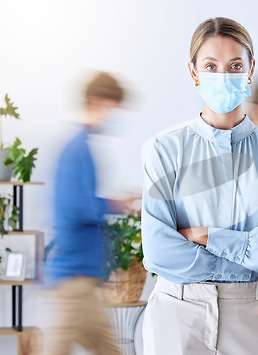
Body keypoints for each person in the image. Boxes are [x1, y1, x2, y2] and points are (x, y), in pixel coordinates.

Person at [141, 17, 258, 355]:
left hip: (255, 318)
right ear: (193, 72)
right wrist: (257, 248)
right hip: (178, 313)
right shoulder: (164, 149)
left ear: (250, 70)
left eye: (235, 65)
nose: (224, 75)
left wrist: (205, 234)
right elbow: (160, 251)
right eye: (210, 65)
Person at [45, 72, 137, 355]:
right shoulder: (77, 149)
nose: (115, 116)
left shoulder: (81, 146)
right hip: (73, 278)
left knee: (108, 349)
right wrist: (117, 204)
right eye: (114, 107)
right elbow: (78, 207)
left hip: (81, 275)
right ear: (99, 102)